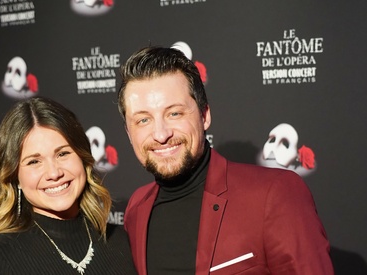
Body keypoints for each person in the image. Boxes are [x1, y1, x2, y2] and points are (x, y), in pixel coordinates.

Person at [117, 46, 334, 274]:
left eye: (174, 113)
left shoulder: (275, 193)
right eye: (143, 120)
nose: (161, 135)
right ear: (129, 133)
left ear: (204, 115)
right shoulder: (136, 208)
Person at [0, 97, 137, 275]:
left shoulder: (118, 240)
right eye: (34, 162)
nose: (54, 173)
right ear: (15, 175)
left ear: (82, 157)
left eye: (62, 154)